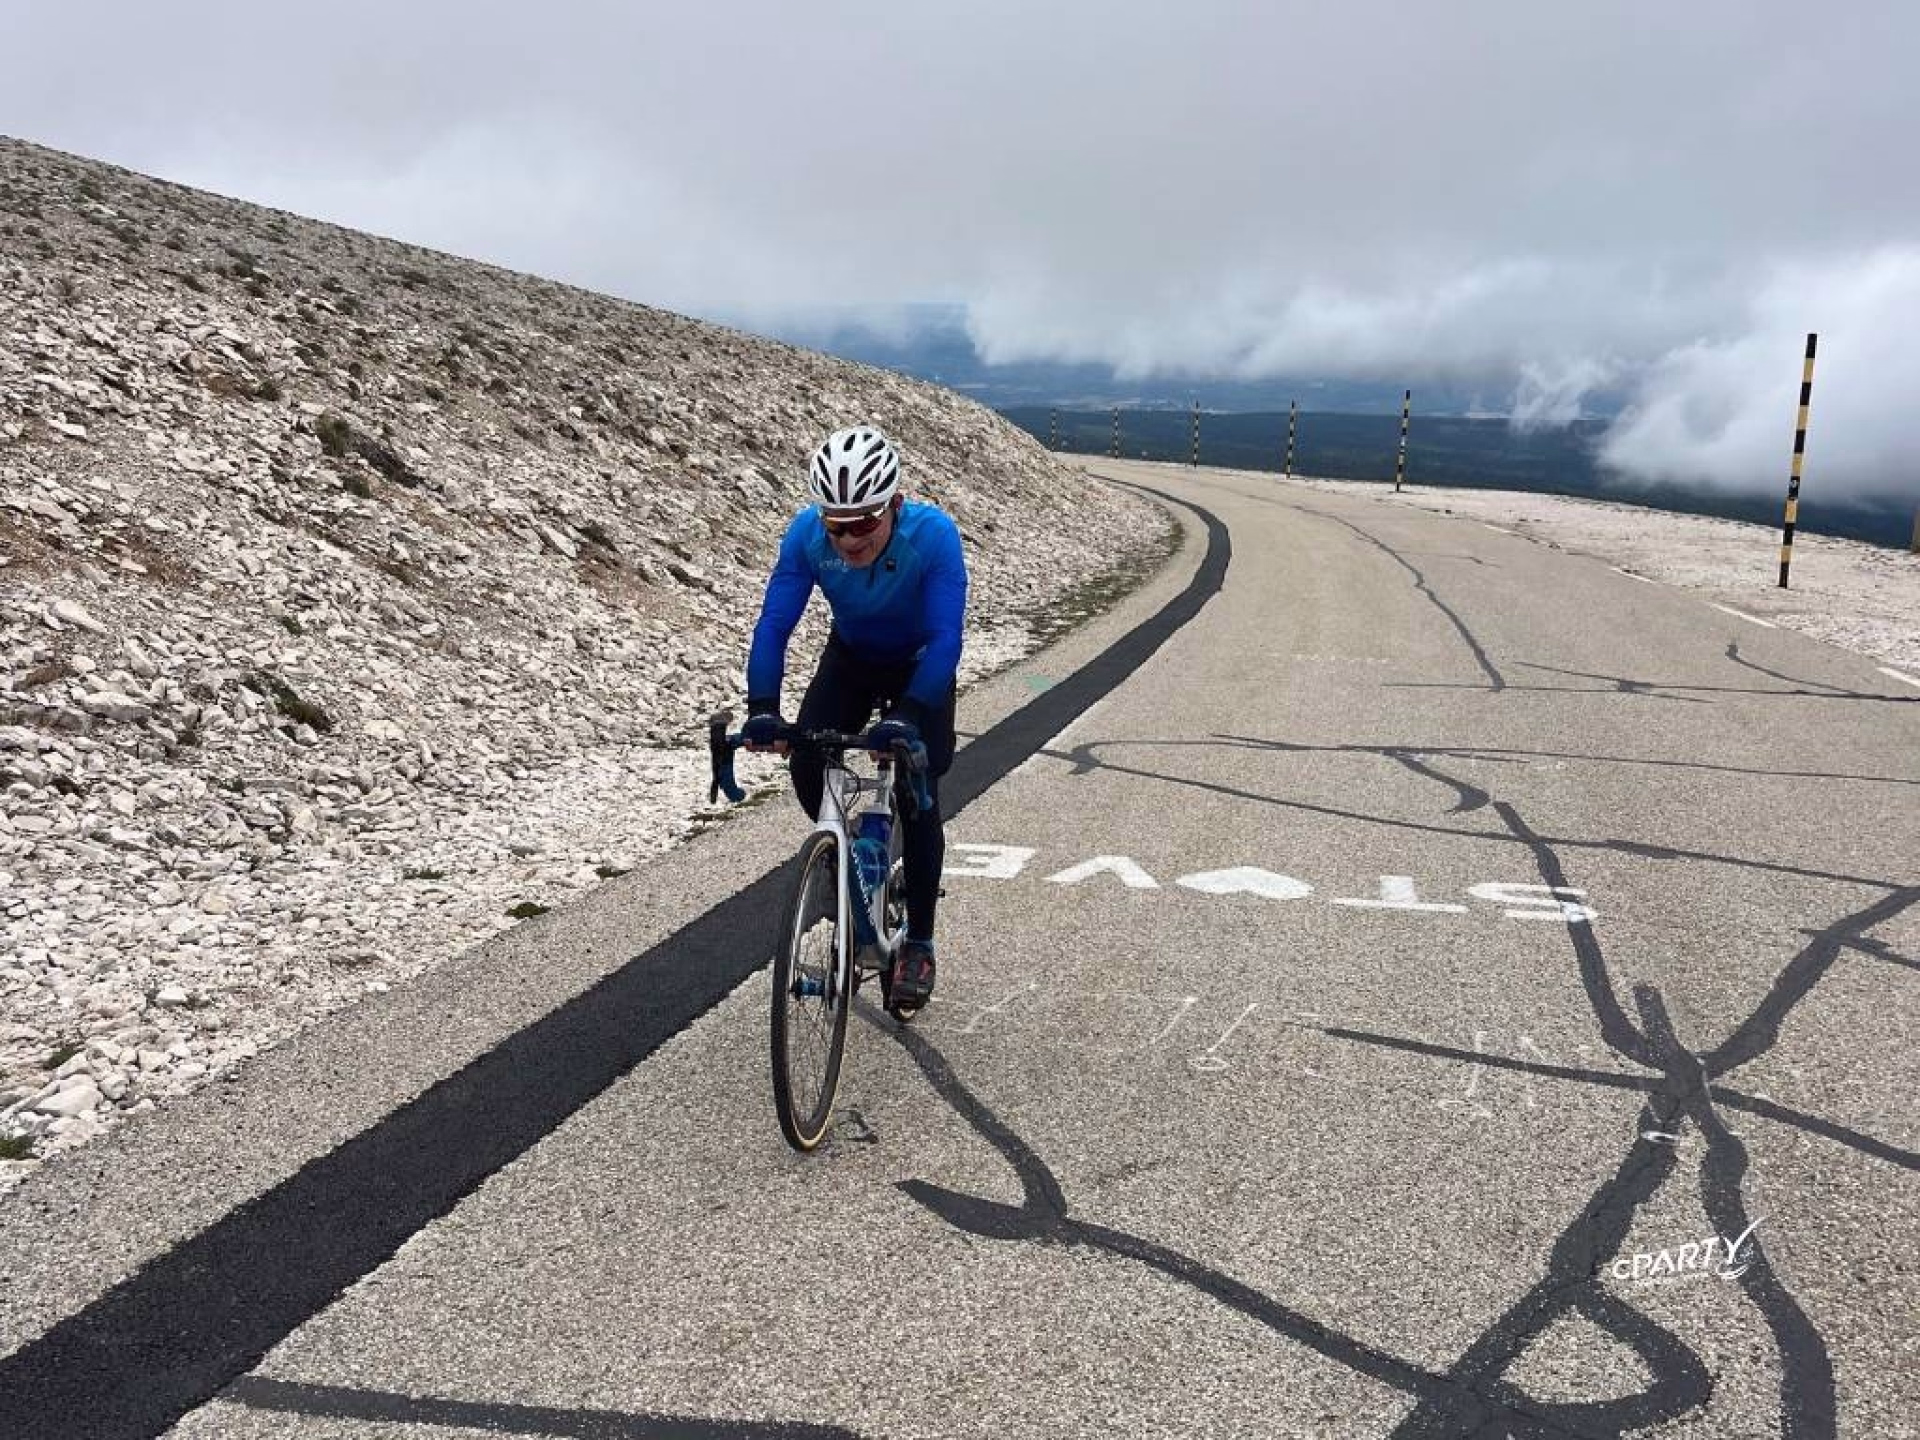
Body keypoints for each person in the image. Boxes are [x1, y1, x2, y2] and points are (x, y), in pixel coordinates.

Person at [742, 425, 967, 1010]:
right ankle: (846, 861)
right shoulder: (806, 537)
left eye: (865, 523)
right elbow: (773, 626)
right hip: (852, 658)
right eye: (836, 525)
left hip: (920, 665)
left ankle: (918, 939)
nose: (848, 539)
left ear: (894, 504)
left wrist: (914, 713)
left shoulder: (934, 536)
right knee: (807, 764)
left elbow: (947, 638)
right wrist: (764, 709)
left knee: (920, 794)